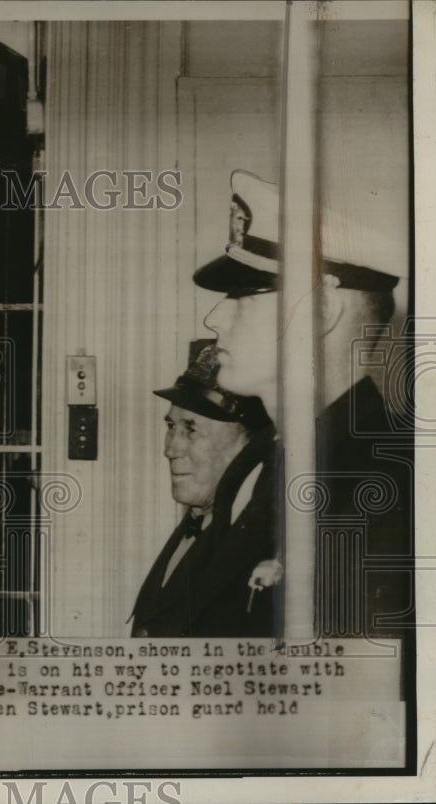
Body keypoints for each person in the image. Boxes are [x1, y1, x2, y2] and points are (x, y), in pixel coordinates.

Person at [195, 170, 413, 639]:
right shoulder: (260, 462)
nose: (214, 317)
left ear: (322, 313)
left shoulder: (386, 482)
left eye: (244, 296)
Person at [131, 340, 277, 637]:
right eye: (171, 426)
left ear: (246, 443)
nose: (171, 449)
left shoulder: (262, 547)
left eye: (191, 429)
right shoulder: (198, 520)